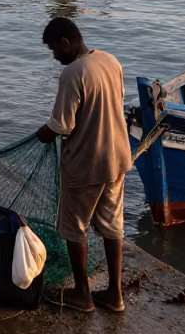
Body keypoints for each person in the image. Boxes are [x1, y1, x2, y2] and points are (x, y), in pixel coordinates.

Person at [36, 17, 132, 314]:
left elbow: (62, 125)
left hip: (86, 163)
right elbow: (116, 102)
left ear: (66, 42)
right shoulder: (110, 60)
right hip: (117, 158)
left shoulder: (73, 72)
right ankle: (114, 295)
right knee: (112, 225)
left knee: (74, 227)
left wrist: (43, 133)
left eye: (54, 49)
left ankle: (82, 295)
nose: (55, 56)